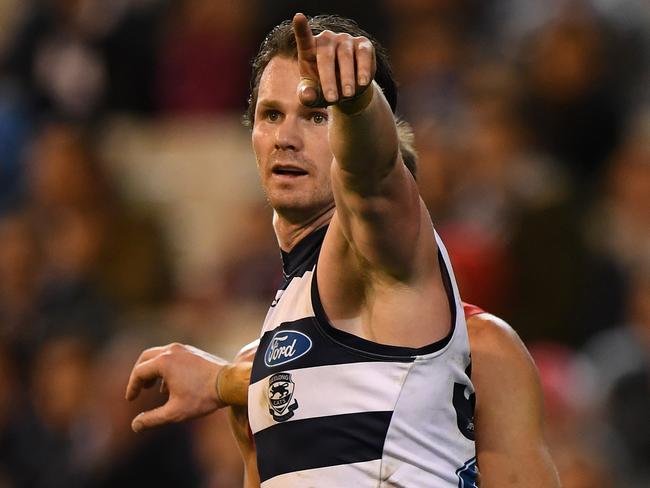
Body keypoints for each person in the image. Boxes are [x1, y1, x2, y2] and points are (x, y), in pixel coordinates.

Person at [126, 13, 559, 487]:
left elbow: (370, 181)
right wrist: (220, 383)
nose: (286, 138)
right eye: (271, 114)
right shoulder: (262, 367)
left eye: (316, 115)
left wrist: (355, 103)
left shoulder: (473, 336)